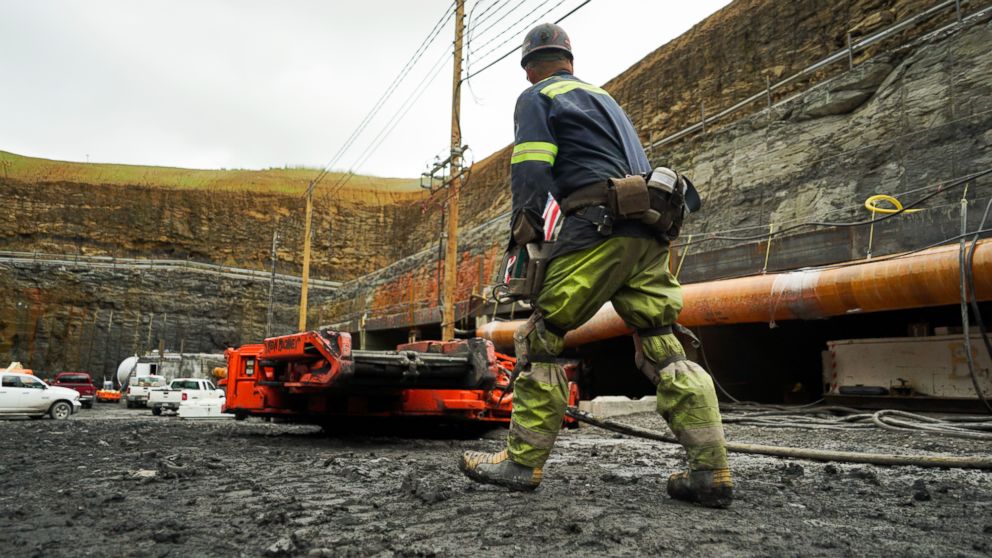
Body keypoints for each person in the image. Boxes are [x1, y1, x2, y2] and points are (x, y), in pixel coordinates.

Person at [459, 23, 733, 508]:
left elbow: (531, 164)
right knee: (664, 346)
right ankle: (711, 472)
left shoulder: (537, 97)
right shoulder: (605, 100)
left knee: (539, 339)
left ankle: (522, 464)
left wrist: (526, 231)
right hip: (648, 231)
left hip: (597, 229)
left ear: (528, 67)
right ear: (569, 59)